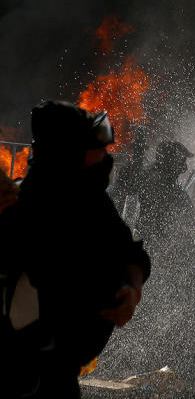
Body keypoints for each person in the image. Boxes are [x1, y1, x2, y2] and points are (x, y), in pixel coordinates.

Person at [0, 101, 150, 398]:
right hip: (26, 376)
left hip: (60, 373)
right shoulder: (22, 210)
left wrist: (132, 289)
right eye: (96, 147)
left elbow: (132, 254)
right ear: (69, 154)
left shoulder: (91, 203)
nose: (106, 156)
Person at [135, 140, 195, 259]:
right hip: (155, 237)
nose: (184, 165)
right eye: (182, 160)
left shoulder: (158, 173)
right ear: (171, 160)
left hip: (156, 235)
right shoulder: (157, 179)